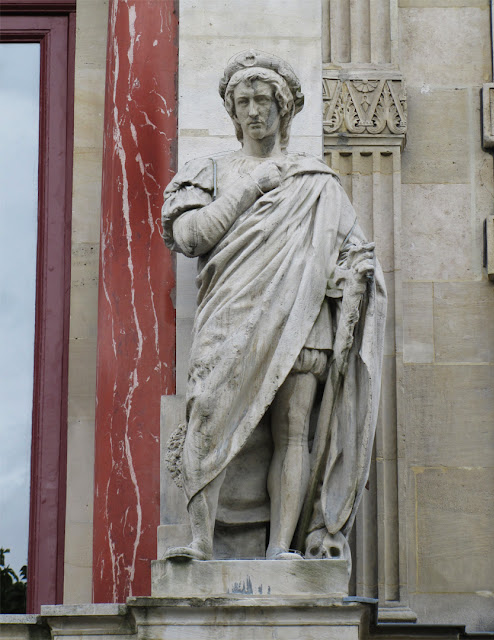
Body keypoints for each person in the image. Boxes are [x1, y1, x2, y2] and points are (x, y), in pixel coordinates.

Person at [161, 50, 386, 561]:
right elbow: (191, 236)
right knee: (208, 414)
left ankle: (281, 549)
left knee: (294, 429)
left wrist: (355, 272)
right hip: (230, 314)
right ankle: (200, 540)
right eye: (244, 101)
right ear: (232, 110)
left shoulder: (316, 182)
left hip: (302, 318)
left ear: (283, 110)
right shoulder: (209, 171)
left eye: (264, 100)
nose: (254, 110)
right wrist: (249, 189)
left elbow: (351, 249)